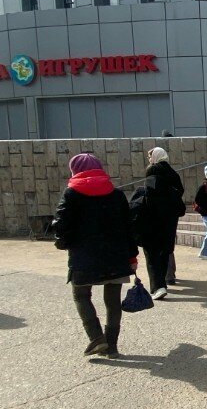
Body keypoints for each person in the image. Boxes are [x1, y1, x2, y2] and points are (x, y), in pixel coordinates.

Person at [53, 153, 137, 359]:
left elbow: (61, 225)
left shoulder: (71, 194)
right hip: (116, 256)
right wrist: (132, 256)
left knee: (81, 296)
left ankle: (97, 338)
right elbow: (129, 227)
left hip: (84, 258)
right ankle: (112, 346)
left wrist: (62, 243)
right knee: (113, 301)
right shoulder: (116, 194)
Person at [143, 147, 185, 299]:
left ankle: (158, 286)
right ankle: (167, 277)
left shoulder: (153, 170)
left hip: (155, 217)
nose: (149, 159)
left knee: (152, 252)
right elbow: (180, 190)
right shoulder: (173, 173)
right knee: (166, 249)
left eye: (150, 156)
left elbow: (149, 193)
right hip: (170, 217)